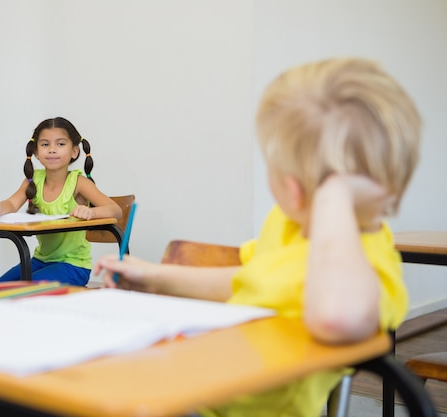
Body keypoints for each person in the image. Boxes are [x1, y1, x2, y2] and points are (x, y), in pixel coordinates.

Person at [95, 58, 421, 417]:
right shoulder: (286, 223)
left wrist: (332, 195)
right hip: (196, 389)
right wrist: (155, 278)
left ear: (293, 190)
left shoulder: (370, 264)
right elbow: (248, 280)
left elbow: (336, 317)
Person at [0, 117, 122, 286]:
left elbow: (115, 210)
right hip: (40, 261)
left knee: (18, 291)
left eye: (61, 144)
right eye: (45, 144)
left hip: (73, 266)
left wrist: (91, 212)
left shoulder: (78, 182)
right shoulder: (32, 180)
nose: (52, 150)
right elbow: (11, 204)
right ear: (36, 152)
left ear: (74, 151)